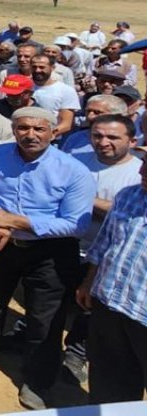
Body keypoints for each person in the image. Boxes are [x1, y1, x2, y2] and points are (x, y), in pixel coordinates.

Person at [0, 107, 96, 411]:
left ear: (53, 132)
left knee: (44, 319)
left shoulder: (73, 170)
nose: (30, 135)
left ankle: (38, 381)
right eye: (23, 128)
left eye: (39, 129)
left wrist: (13, 222)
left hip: (50, 252)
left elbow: (76, 223)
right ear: (14, 130)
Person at [61, 114, 141, 384]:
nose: (103, 142)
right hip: (82, 259)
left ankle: (75, 353)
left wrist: (81, 200)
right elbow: (108, 239)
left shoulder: (133, 176)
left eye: (112, 137)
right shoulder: (129, 194)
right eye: (97, 136)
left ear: (132, 141)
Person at [76, 150, 147, 404]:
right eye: (145, 164)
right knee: (108, 381)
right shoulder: (129, 196)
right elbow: (104, 243)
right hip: (109, 303)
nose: (141, 172)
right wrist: (89, 282)